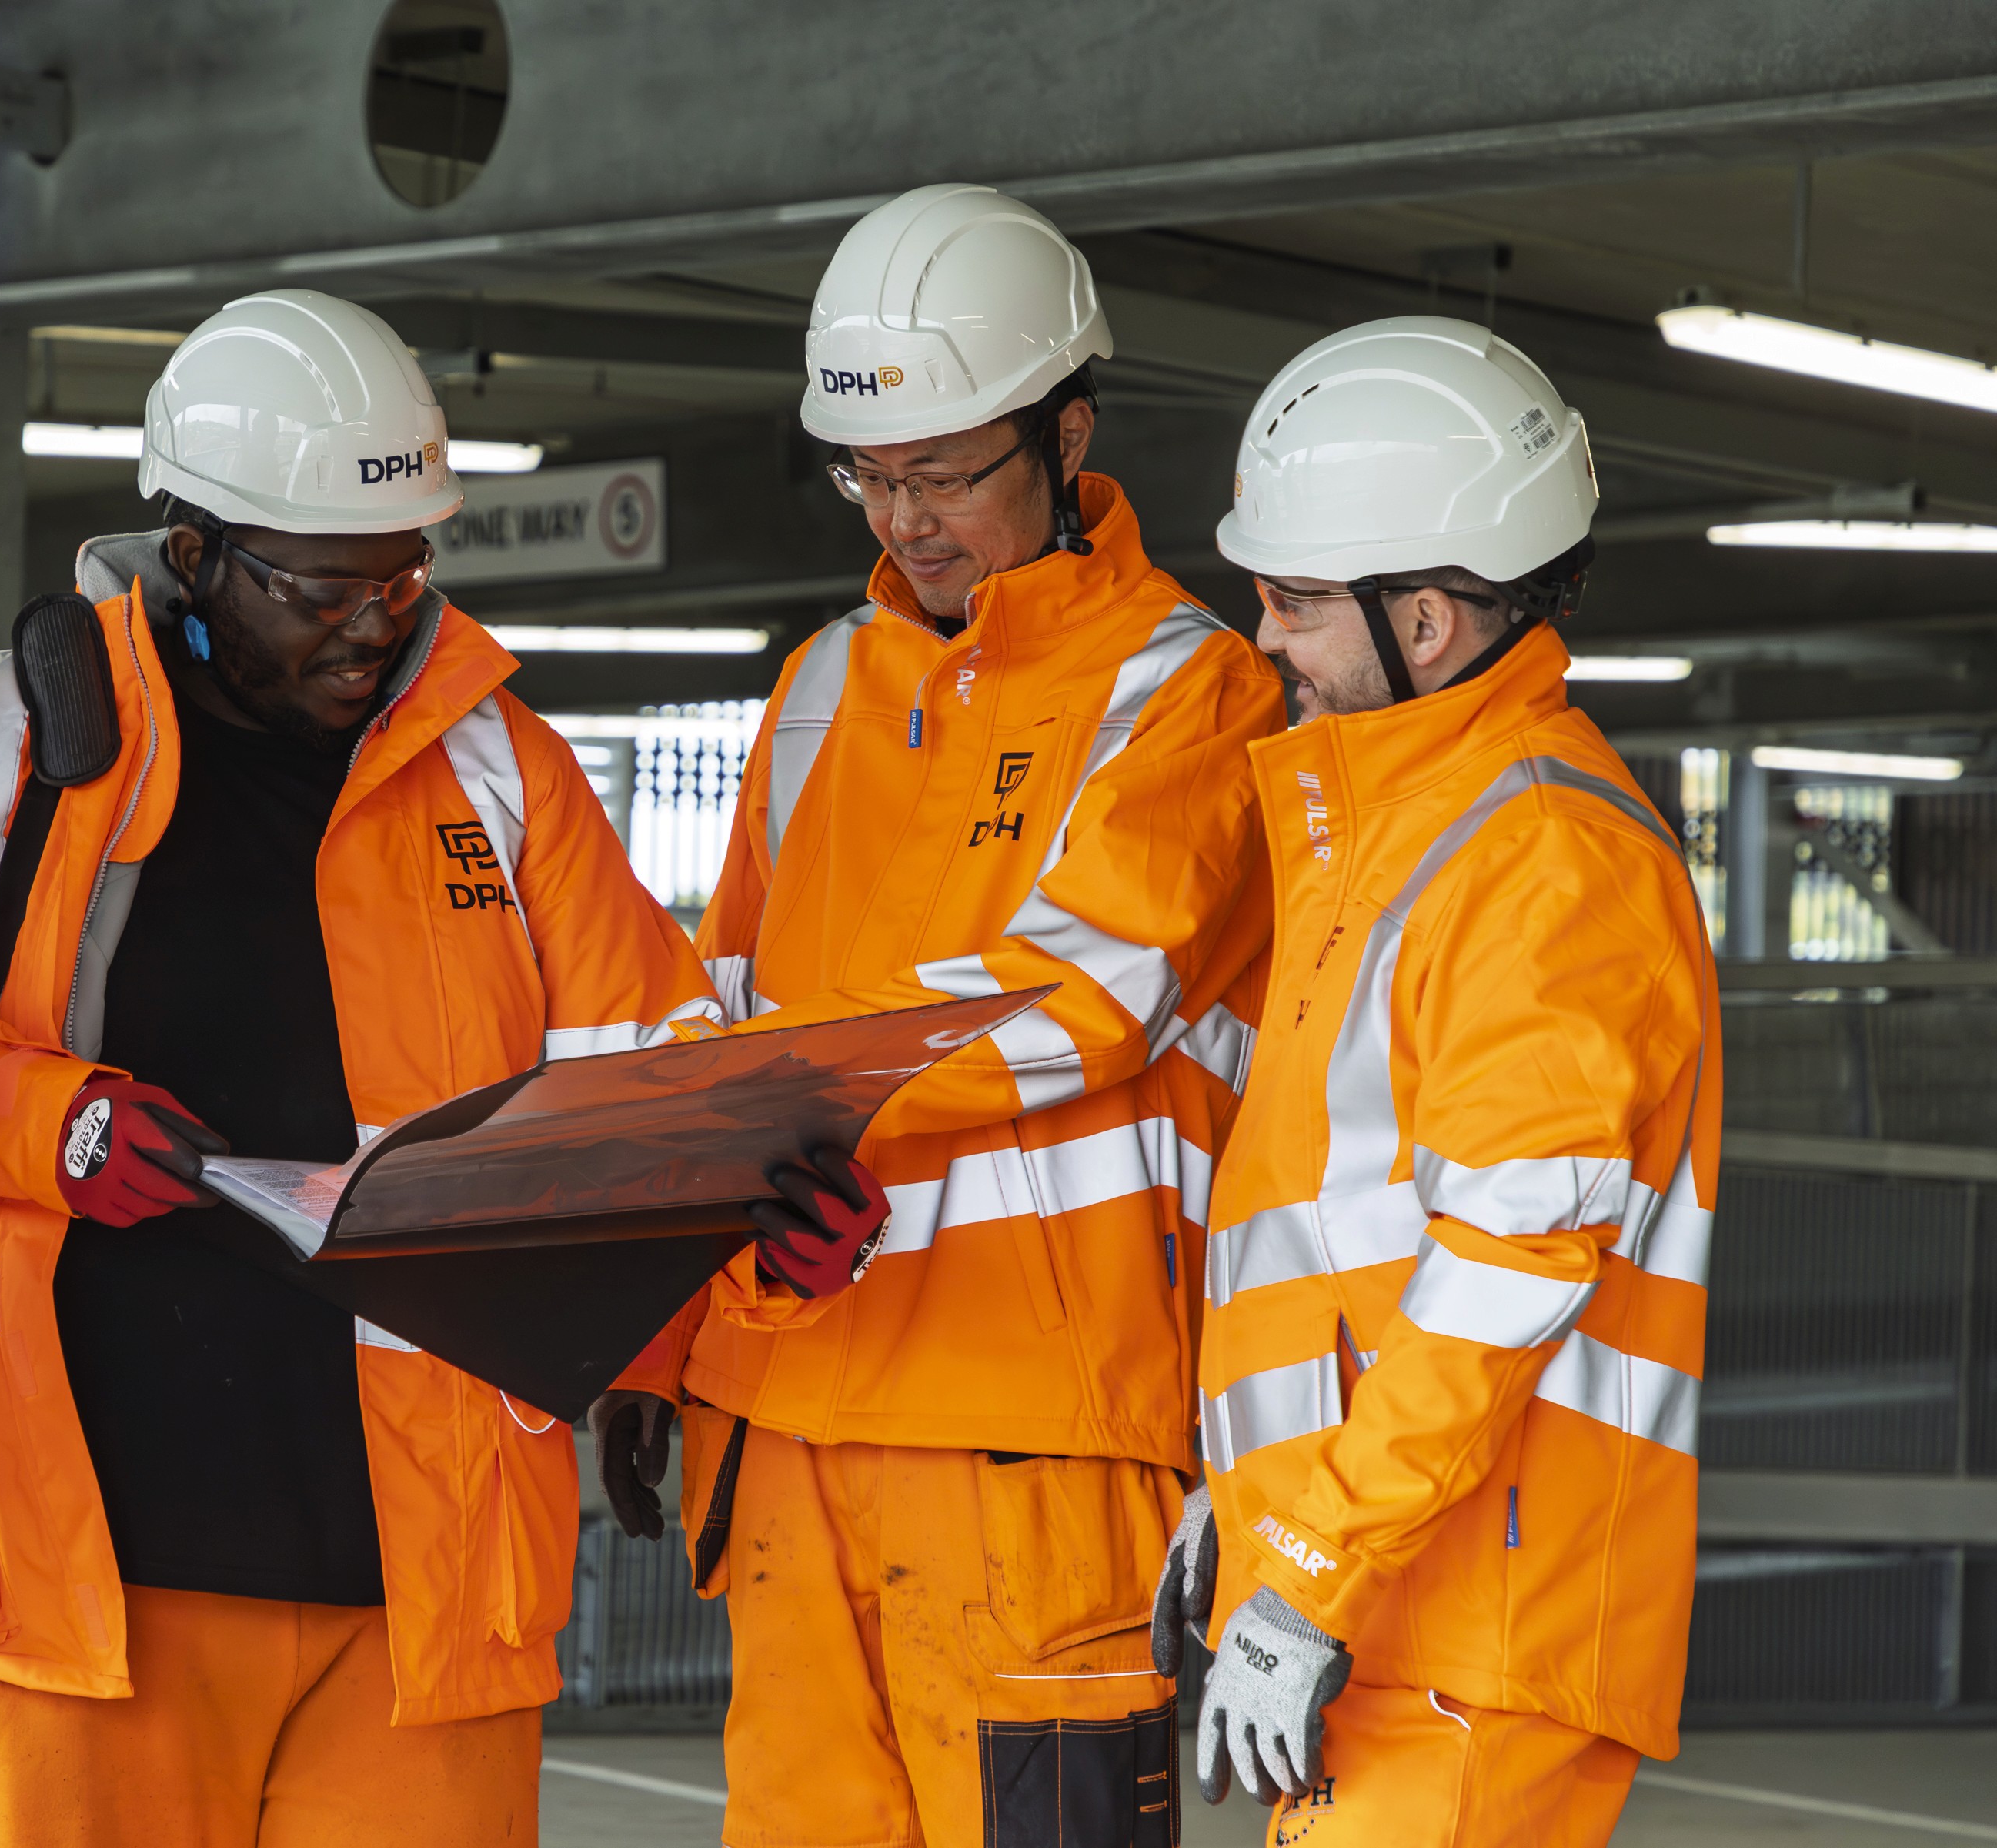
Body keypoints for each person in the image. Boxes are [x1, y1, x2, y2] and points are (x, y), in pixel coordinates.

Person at [0, 286, 822, 1846]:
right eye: (323, 585)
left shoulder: (503, 769)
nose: (377, 620)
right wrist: (57, 1125)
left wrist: (686, 1320)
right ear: (194, 556)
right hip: (88, 1575)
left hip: (428, 1598)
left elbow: (649, 1079)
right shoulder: (1, 747)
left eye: (404, 573)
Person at [590, 183, 1285, 1847]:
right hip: (788, 1419)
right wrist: (663, 1327)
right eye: (873, 478)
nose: (907, 518)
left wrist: (806, 1130)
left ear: (1068, 432)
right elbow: (722, 1020)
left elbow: (1080, 1000)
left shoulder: (1189, 688)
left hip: (1028, 1445)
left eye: (948, 473)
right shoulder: (823, 683)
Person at [1168, 316, 1718, 1846]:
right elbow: (1349, 1258)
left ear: (1424, 615)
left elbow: (1498, 1270)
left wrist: (1310, 1570)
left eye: (1288, 603)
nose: (1264, 640)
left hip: (1465, 1625)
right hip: (1397, 1610)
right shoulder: (1407, 845)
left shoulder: (1543, 862)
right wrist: (1250, 1510)